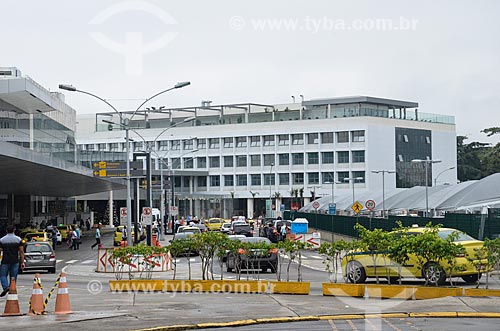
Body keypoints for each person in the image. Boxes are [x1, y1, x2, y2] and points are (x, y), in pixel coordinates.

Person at [0, 225, 25, 297]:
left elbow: (0, 251)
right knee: (13, 276)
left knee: (3, 275)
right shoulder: (18, 239)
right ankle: (12, 288)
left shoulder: (2, 240)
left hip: (5, 260)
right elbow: (21, 251)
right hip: (15, 260)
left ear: (6, 231)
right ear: (14, 230)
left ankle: (5, 287)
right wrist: (22, 262)